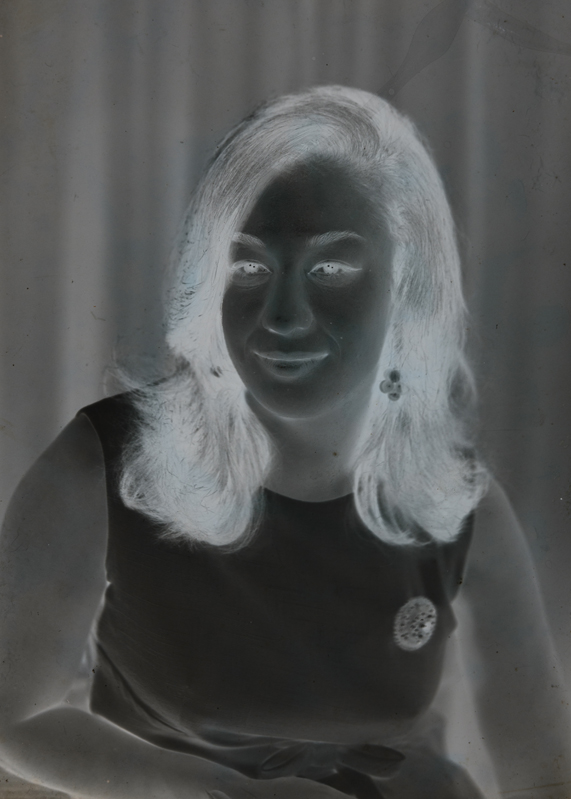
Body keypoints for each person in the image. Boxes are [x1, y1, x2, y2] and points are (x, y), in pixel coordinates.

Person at [0, 86, 569, 799]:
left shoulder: (461, 506)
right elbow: (15, 716)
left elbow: (543, 775)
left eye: (330, 269)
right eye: (248, 267)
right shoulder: (103, 459)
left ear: (404, 290)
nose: (282, 314)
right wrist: (225, 793)